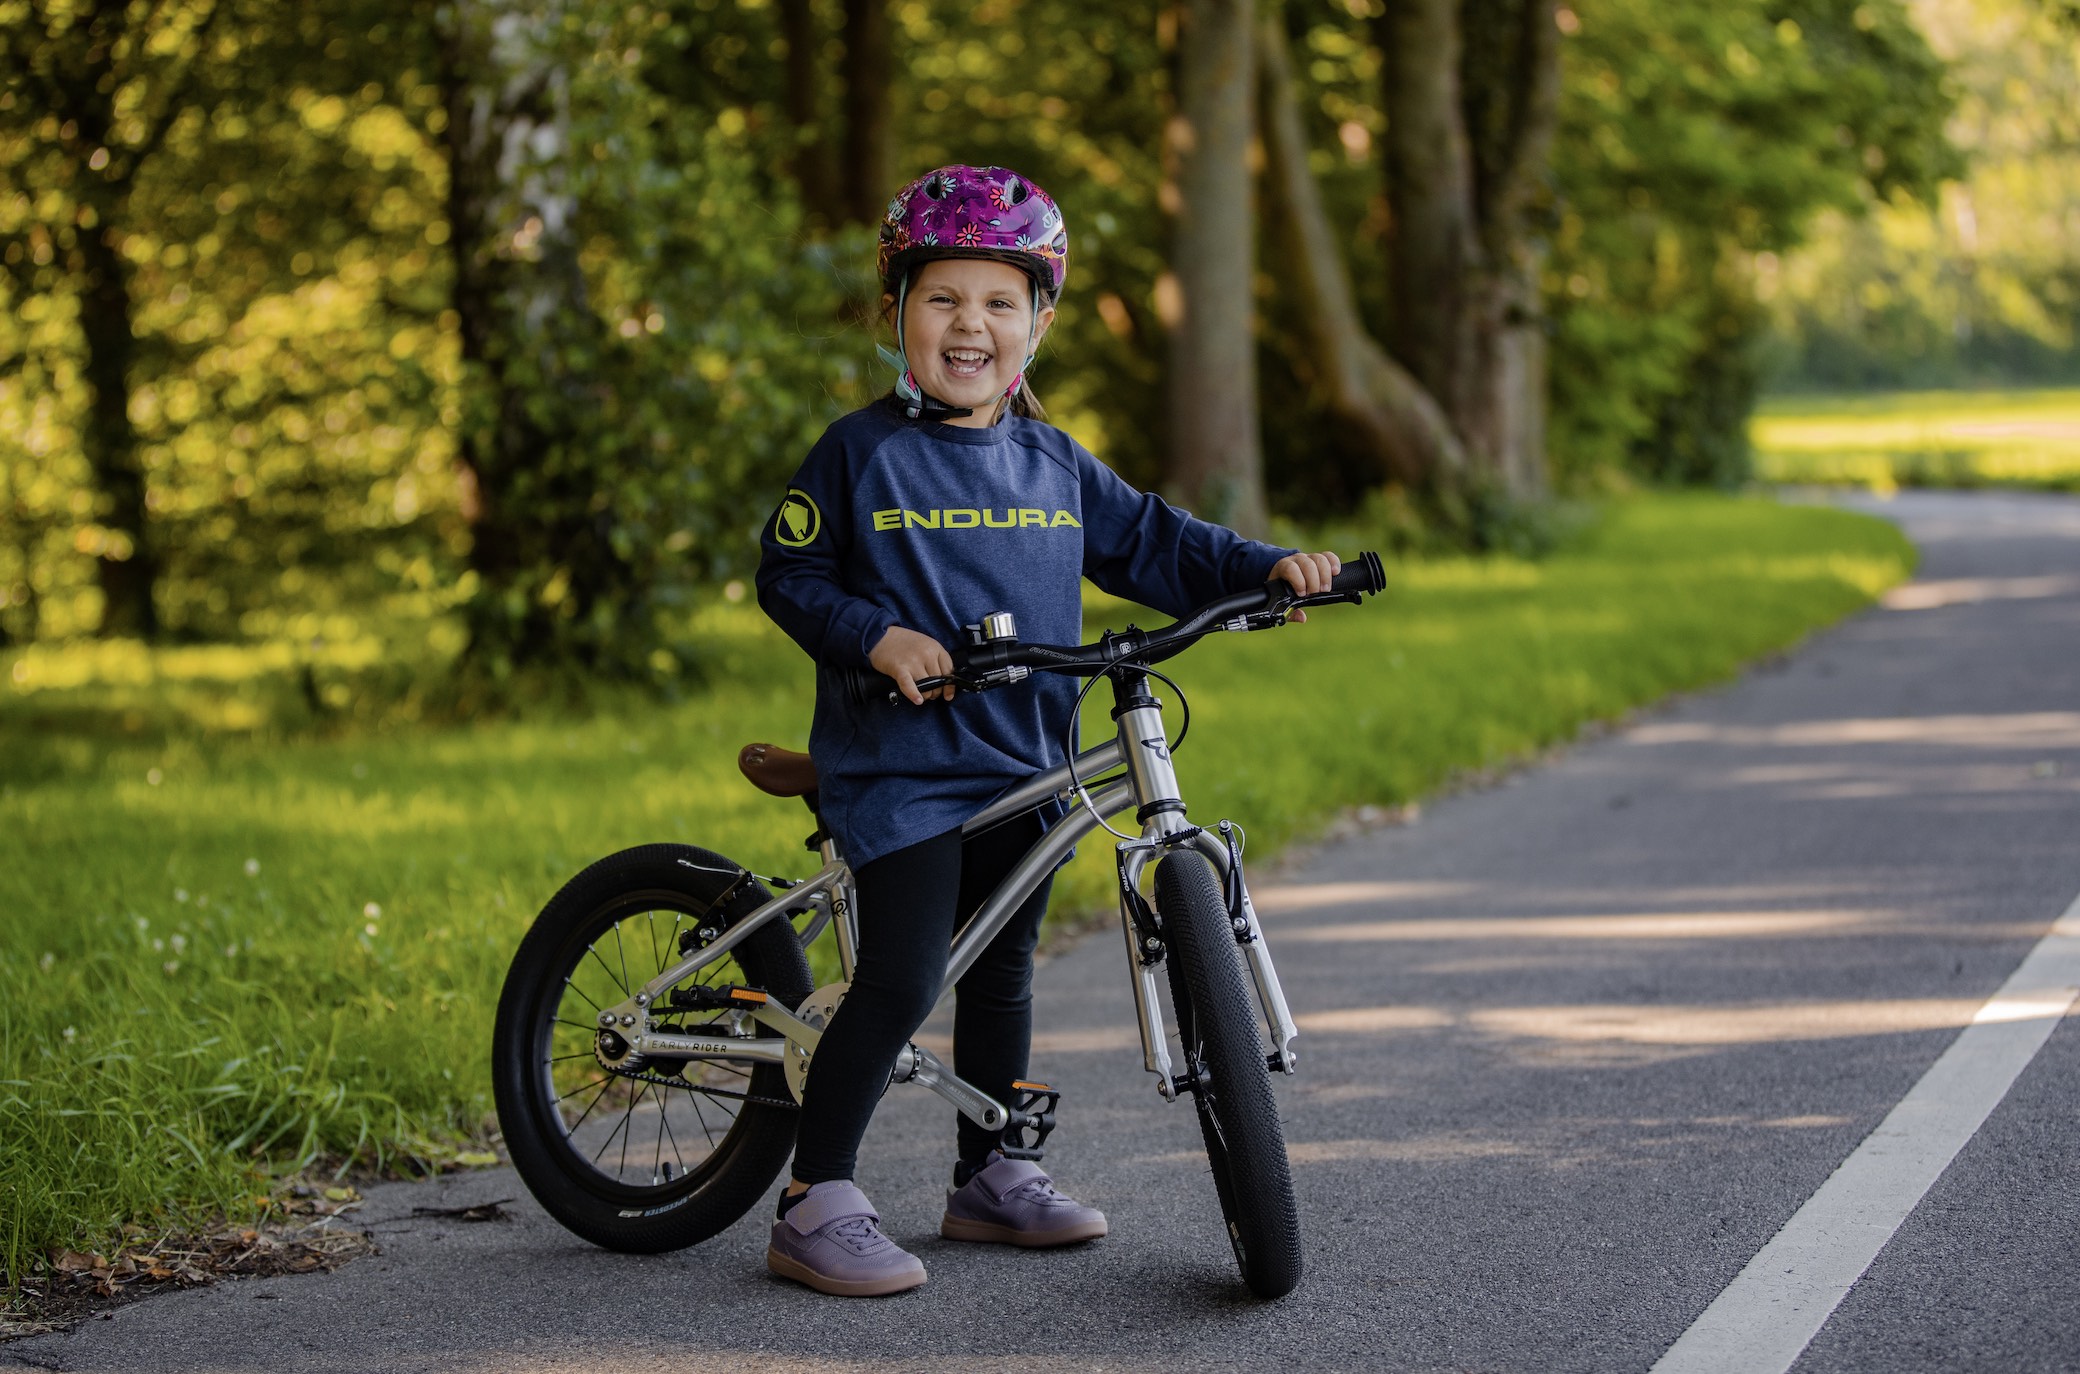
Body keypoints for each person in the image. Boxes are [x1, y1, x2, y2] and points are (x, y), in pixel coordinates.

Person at [755, 164, 1341, 1297]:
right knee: (907, 974)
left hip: (1024, 766)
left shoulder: (1052, 462)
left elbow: (1161, 546)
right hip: (904, 767)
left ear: (1039, 322)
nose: (968, 324)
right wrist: (876, 637)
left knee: (1007, 970)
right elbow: (790, 572)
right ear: (896, 313)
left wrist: (1268, 567)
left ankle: (989, 1174)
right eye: (941, 299)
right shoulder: (859, 451)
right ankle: (813, 1193)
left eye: (998, 303)